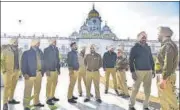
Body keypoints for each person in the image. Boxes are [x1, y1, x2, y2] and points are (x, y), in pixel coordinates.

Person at [129, 31, 155, 110]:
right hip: (138, 71)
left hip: (149, 71)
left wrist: (153, 70)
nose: (144, 38)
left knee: (148, 90)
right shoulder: (134, 48)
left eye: (145, 37)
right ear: (138, 38)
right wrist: (133, 71)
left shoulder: (148, 47)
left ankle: (146, 106)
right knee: (135, 89)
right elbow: (130, 60)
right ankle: (131, 105)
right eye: (142, 36)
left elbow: (151, 59)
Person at [155, 26, 178, 110]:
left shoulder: (168, 45)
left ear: (163, 34)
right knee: (163, 97)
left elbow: (168, 64)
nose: (157, 35)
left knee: (170, 100)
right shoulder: (166, 45)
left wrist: (164, 79)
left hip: (165, 77)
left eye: (158, 33)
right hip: (164, 76)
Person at [21, 39, 45, 110]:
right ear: (33, 43)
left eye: (39, 43)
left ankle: (36, 102)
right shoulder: (26, 53)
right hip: (29, 74)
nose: (39, 44)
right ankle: (26, 105)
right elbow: (23, 64)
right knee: (28, 90)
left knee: (37, 89)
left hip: (39, 73)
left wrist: (42, 71)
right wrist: (24, 73)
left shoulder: (40, 52)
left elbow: (43, 62)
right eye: (38, 43)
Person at [1, 38, 20, 110]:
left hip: (16, 71)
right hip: (8, 72)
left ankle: (11, 99)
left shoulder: (17, 50)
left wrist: (19, 70)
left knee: (13, 86)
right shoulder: (5, 51)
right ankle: (5, 103)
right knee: (7, 87)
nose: (17, 43)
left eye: (17, 42)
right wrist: (3, 70)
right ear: (11, 42)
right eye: (15, 42)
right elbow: (1, 61)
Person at [44, 39, 61, 105]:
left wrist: (59, 69)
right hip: (50, 70)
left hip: (55, 70)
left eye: (55, 41)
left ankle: (52, 96)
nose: (55, 42)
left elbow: (58, 59)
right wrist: (47, 70)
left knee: (54, 84)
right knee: (49, 84)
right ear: (50, 42)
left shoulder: (56, 49)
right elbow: (45, 60)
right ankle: (48, 98)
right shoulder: (47, 49)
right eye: (53, 41)